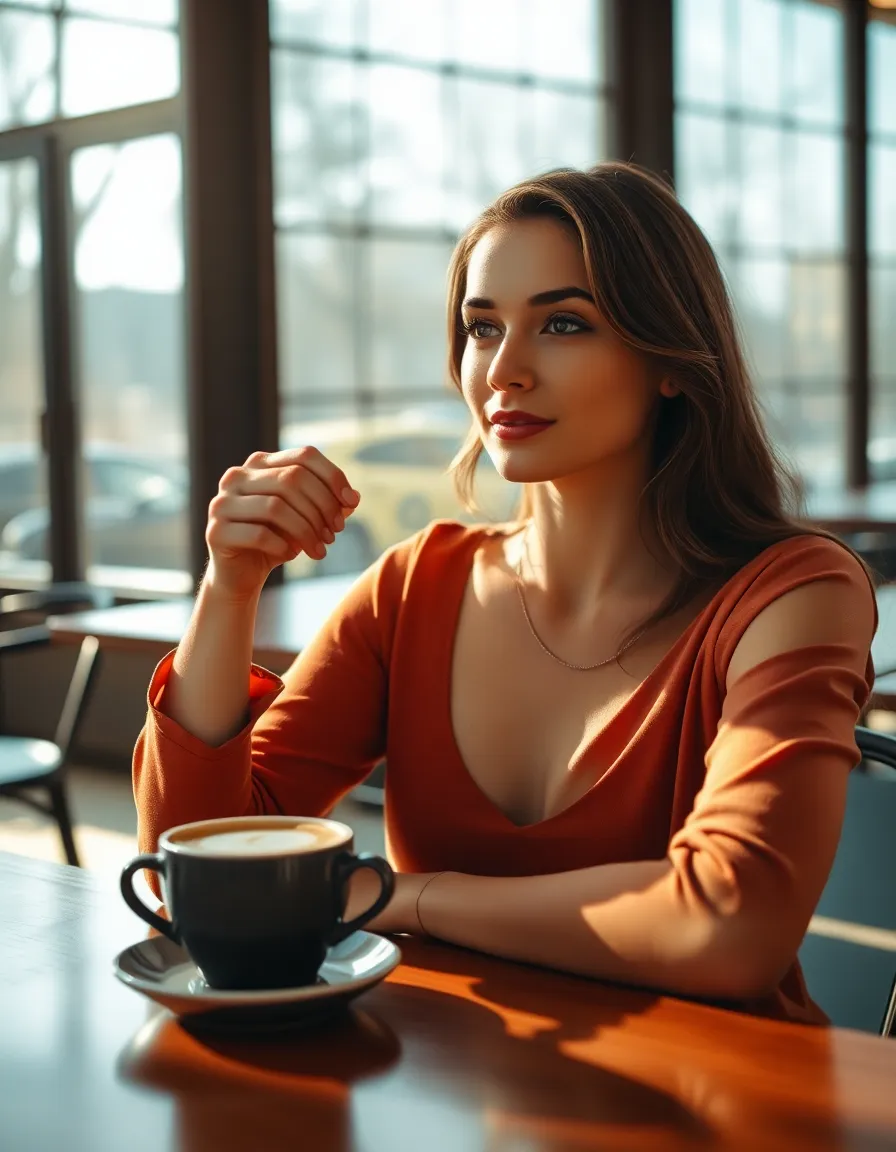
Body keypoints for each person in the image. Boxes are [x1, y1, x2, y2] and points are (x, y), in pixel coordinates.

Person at [133, 162, 876, 1024]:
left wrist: (400, 897)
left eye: (563, 323)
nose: (503, 371)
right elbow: (192, 874)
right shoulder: (415, 586)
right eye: (482, 328)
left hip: (728, 1103)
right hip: (460, 1094)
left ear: (670, 359)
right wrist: (230, 587)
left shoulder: (794, 592)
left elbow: (731, 927)